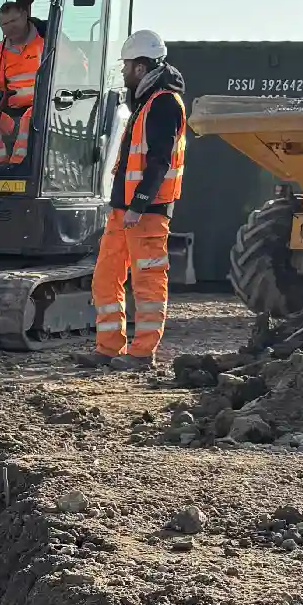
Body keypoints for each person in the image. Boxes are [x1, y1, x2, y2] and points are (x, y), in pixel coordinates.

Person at [91, 29, 186, 364]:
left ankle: (143, 352)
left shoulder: (163, 104)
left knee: (147, 283)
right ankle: (108, 347)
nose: (123, 71)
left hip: (145, 212)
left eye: (127, 64)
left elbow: (160, 160)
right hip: (125, 210)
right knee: (105, 277)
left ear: (142, 68)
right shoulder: (146, 102)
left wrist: (139, 204)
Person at [0, 0, 45, 171]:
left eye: (14, 20)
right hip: (12, 112)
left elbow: (77, 67)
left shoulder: (48, 41)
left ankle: (17, 170)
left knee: (29, 117)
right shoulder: (1, 50)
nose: (10, 27)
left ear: (25, 15)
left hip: (44, 112)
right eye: (4, 24)